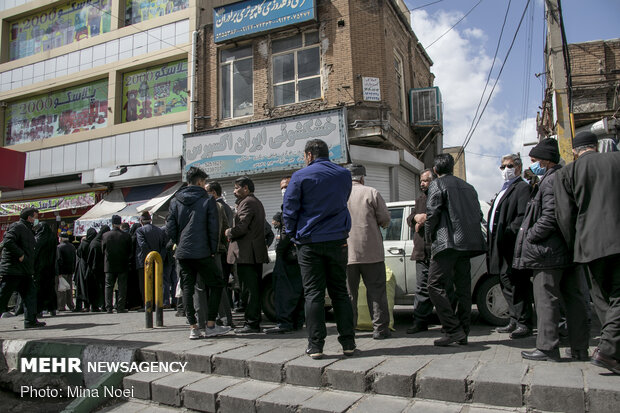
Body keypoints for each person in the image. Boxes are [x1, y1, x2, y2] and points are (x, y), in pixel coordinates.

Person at [514, 138, 590, 362]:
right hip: (566, 250)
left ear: (545, 161)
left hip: (549, 253)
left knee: (546, 299)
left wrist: (530, 235)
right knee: (573, 300)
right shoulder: (562, 177)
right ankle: (579, 348)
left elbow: (550, 217)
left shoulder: (551, 181)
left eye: (535, 160)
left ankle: (547, 347)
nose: (532, 165)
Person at [283, 139, 355, 359]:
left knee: (313, 294)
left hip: (309, 242)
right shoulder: (344, 175)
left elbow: (290, 209)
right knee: (340, 293)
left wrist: (293, 234)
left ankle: (316, 346)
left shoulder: (300, 176)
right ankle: (348, 344)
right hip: (337, 240)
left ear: (309, 155)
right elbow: (342, 200)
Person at [555, 131, 620, 374]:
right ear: (596, 146)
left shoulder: (567, 173)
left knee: (602, 299)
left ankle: (610, 351)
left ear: (575, 151)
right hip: (617, 238)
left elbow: (564, 216)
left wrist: (576, 245)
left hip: (589, 245)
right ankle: (608, 350)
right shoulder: (616, 160)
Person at [425, 154, 486, 346]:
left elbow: (432, 213)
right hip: (466, 244)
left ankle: (453, 330)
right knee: (463, 289)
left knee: (434, 285)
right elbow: (479, 214)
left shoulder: (437, 184)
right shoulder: (469, 187)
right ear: (452, 167)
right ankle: (463, 332)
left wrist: (429, 239)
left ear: (435, 170)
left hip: (446, 243)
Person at [167, 167, 230, 339]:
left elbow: (170, 229)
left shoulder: (175, 201)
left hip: (183, 252)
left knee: (187, 288)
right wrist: (211, 250)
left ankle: (193, 328)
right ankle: (210, 324)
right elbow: (212, 228)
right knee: (216, 283)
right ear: (200, 182)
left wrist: (178, 243)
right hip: (202, 251)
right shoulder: (207, 200)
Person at [487, 154, 534, 339]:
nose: (506, 170)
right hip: (500, 247)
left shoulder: (522, 188)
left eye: (510, 166)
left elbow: (522, 217)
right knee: (505, 283)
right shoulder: (504, 189)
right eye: (503, 167)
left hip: (512, 246)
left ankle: (524, 322)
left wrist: (508, 231)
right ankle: (514, 319)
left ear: (518, 167)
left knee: (517, 285)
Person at [344, 164, 391, 339]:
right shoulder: (372, 192)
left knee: (349, 295)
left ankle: (349, 330)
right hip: (372, 253)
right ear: (362, 177)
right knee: (377, 292)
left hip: (347, 254)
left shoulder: (340, 195)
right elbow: (385, 219)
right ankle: (380, 330)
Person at [225, 176, 269, 334]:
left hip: (246, 254)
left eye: (237, 187)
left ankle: (251, 323)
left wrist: (228, 231)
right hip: (251, 254)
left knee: (249, 290)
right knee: (251, 289)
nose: (234, 191)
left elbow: (242, 227)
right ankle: (252, 321)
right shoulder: (252, 202)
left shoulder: (248, 202)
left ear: (246, 188)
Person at [264, 176, 305, 334]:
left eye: (287, 186)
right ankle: (296, 321)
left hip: (289, 256)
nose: (283, 190)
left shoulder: (292, 205)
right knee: (297, 290)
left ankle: (285, 322)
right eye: (282, 187)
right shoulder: (302, 204)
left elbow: (288, 232)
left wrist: (280, 250)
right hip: (297, 254)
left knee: (284, 290)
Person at [406, 169, 441, 334]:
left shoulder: (441, 196)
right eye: (421, 181)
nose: (422, 184)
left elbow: (439, 217)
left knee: (441, 288)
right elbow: (410, 218)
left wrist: (425, 218)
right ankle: (420, 322)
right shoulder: (420, 199)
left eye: (426, 181)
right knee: (421, 288)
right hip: (421, 250)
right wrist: (415, 219)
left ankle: (447, 323)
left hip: (437, 249)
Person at [0, 207, 46, 328]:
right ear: (29, 217)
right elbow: (8, 241)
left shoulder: (28, 229)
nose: (37, 220)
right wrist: (20, 255)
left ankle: (30, 321)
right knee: (3, 296)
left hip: (24, 270)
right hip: (13, 270)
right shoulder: (17, 226)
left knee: (30, 295)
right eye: (36, 217)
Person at [135, 211, 167, 308]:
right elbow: (163, 246)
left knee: (144, 284)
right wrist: (158, 257)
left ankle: (147, 304)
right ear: (151, 220)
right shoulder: (159, 230)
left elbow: (143, 245)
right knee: (156, 282)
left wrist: (150, 256)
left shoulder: (140, 231)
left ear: (141, 220)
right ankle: (156, 303)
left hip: (144, 261)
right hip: (157, 261)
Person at [102, 215, 133, 313]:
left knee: (108, 286)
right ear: (120, 223)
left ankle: (108, 307)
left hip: (109, 265)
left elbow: (103, 250)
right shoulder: (126, 236)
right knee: (122, 286)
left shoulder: (105, 235)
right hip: (122, 264)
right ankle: (120, 306)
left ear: (112, 223)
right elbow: (130, 251)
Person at [34, 222, 58, 317]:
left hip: (40, 268)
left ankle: (39, 310)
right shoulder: (52, 238)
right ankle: (52, 309)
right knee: (50, 289)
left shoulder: (39, 238)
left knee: (39, 290)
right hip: (50, 267)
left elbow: (35, 252)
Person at [87, 225, 109, 312]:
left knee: (95, 288)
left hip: (94, 269)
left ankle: (95, 306)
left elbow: (90, 259)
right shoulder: (104, 242)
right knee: (103, 288)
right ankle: (103, 305)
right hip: (103, 269)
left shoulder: (94, 243)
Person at [75, 228, 97, 311]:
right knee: (92, 287)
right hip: (91, 268)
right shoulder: (94, 243)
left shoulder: (84, 243)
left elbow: (79, 253)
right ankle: (94, 306)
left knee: (83, 287)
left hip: (83, 267)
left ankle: (86, 306)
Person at [57, 231, 77, 312]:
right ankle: (71, 305)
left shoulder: (59, 247)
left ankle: (61, 306)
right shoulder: (72, 246)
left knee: (62, 289)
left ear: (61, 238)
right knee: (69, 288)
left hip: (62, 271)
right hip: (70, 270)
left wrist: (58, 272)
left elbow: (59, 260)